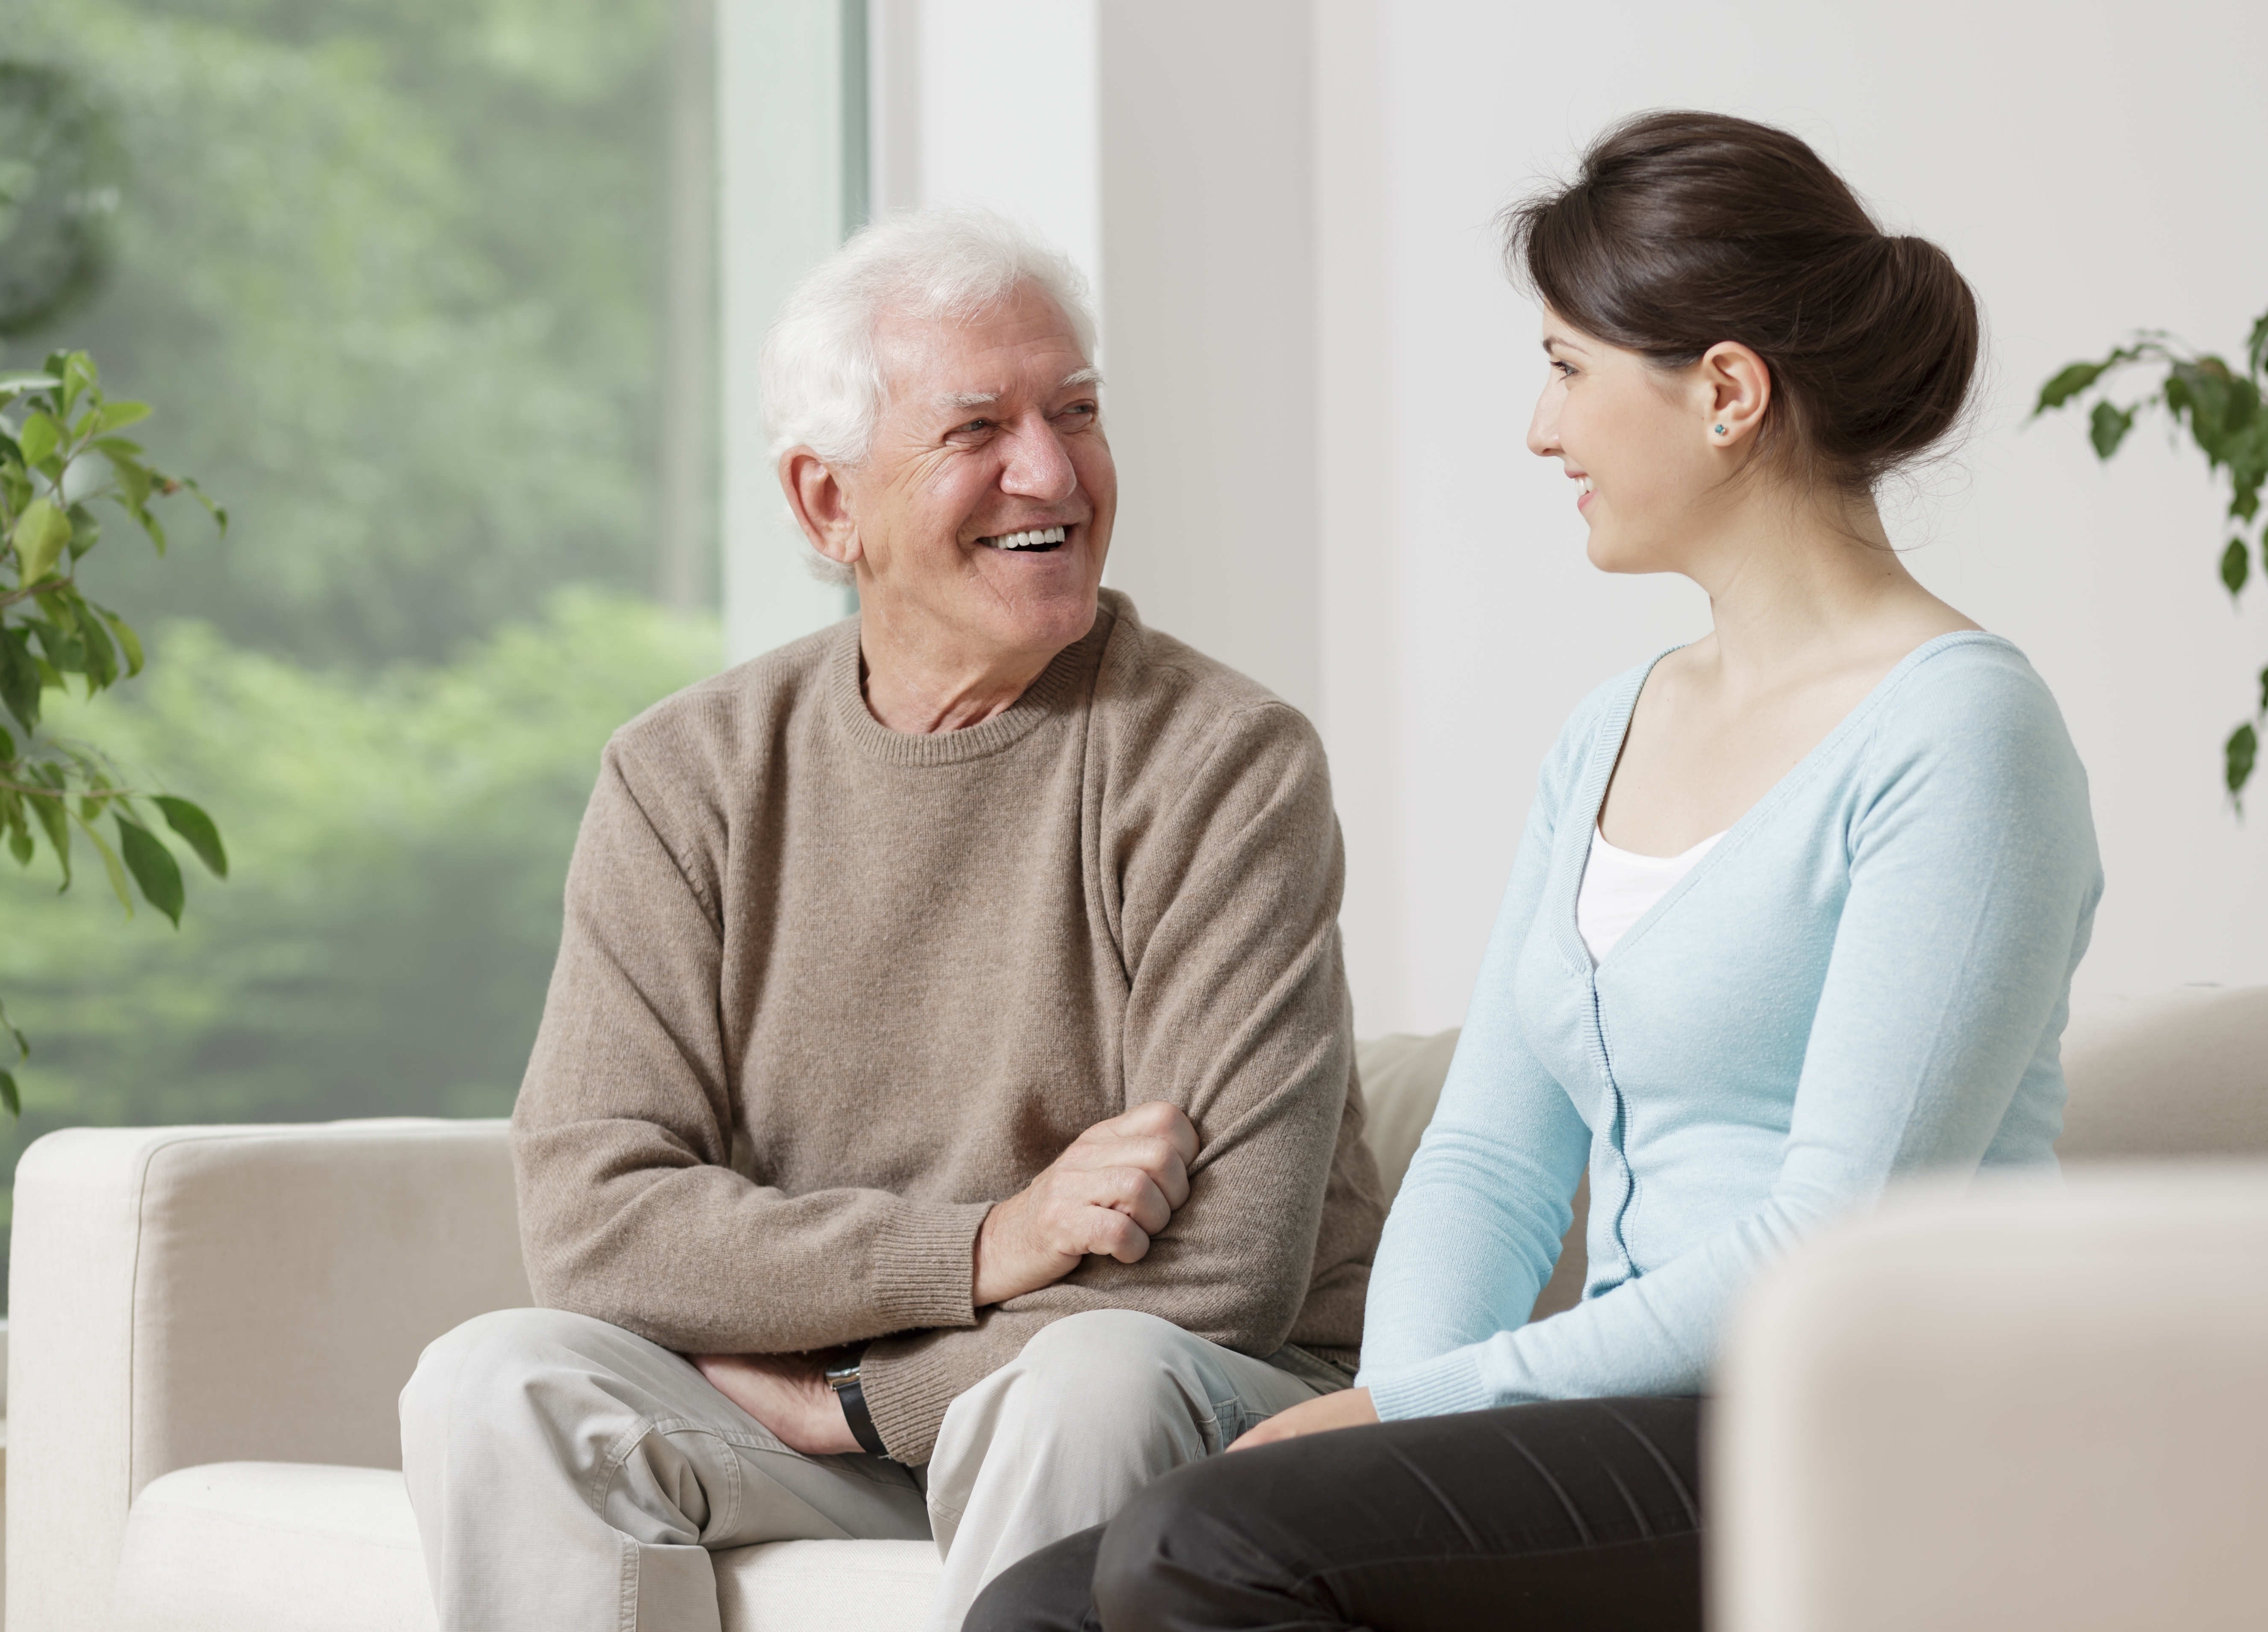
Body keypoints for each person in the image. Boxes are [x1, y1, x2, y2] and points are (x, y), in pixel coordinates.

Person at [968, 109, 2104, 1632]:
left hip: (1862, 1425)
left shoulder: (1964, 733)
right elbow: (1496, 1160)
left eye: (1568, 369)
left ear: (1724, 393)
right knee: (1045, 1604)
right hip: (1641, 1421)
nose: (1540, 430)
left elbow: (1839, 1238)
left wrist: (1395, 1432)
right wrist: (1395, 1423)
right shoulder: (1612, 729)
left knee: (1199, 1548)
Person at [397, 204, 1385, 1632]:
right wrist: (986, 1242)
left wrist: (848, 1405)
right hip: (866, 1391)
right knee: (502, 1379)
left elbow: (1219, 1275)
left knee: (1088, 1379)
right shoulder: (687, 776)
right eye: (977, 428)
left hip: (1179, 1405)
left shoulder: (1224, 762)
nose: (1049, 470)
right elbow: (597, 1225)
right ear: (826, 505)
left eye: (1079, 412)